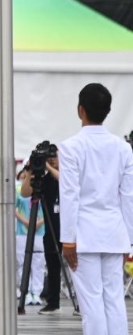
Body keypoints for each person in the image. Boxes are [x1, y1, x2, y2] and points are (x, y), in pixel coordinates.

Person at [59, 83, 133, 333]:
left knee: (91, 304)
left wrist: (67, 239)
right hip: (115, 233)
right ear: (108, 111)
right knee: (114, 301)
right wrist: (129, 241)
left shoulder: (70, 147)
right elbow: (128, 197)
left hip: (83, 236)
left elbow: (70, 194)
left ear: (81, 110)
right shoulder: (123, 148)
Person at [20, 143, 62, 314]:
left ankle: (81, 304)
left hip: (68, 228)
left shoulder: (66, 174)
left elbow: (63, 180)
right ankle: (53, 303)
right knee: (52, 266)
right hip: (51, 230)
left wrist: (46, 167)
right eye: (48, 158)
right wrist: (30, 170)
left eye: (54, 157)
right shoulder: (43, 181)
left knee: (76, 269)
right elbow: (24, 193)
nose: (51, 160)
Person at [15, 168, 44, 306]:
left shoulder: (43, 186)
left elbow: (47, 207)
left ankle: (36, 292)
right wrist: (26, 221)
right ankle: (24, 292)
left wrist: (39, 221)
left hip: (40, 231)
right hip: (22, 230)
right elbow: (14, 208)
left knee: (38, 263)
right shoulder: (18, 188)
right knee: (22, 262)